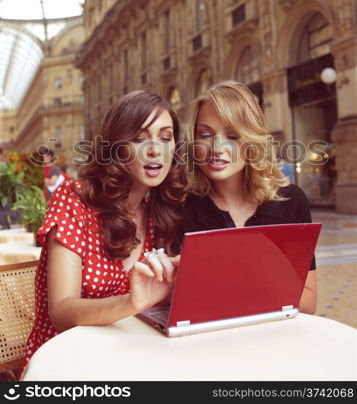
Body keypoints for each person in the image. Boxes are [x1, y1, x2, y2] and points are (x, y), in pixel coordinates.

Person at [21, 90, 187, 375]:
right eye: (139, 138)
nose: (155, 149)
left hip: (129, 356)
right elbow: (61, 312)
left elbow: (156, 300)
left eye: (165, 136)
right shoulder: (74, 199)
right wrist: (132, 301)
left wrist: (179, 281)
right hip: (66, 363)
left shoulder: (160, 211)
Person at [182, 81, 317, 314]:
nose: (217, 147)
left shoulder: (290, 202)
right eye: (205, 135)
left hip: (274, 339)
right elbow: (182, 301)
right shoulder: (182, 207)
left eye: (232, 135)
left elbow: (308, 302)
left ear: (252, 140)